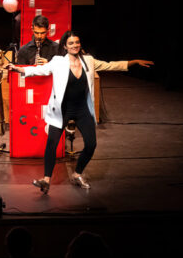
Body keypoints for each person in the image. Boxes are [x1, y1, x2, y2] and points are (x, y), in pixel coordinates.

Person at [9, 31, 152, 193]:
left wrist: (133, 62)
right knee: (52, 143)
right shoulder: (58, 62)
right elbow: (40, 70)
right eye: (71, 43)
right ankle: (46, 180)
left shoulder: (88, 61)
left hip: (82, 109)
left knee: (91, 144)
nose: (75, 45)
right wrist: (17, 69)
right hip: (62, 109)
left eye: (77, 42)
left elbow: (110, 65)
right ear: (64, 46)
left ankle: (77, 174)